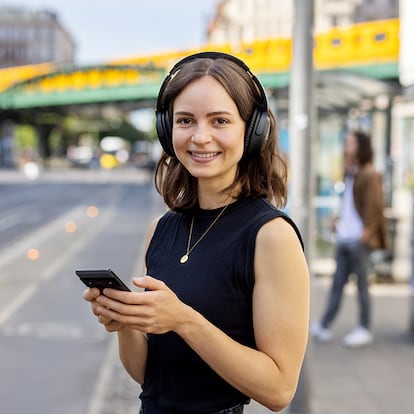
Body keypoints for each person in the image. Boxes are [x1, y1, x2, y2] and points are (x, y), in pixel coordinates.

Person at [83, 52, 310, 413]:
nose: (200, 137)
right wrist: (125, 323)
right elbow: (147, 376)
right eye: (185, 120)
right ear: (166, 129)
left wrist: (184, 320)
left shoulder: (271, 236)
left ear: (253, 131)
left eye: (219, 121)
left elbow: (279, 389)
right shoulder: (160, 229)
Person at [312, 130, 387, 347]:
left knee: (362, 286)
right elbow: (349, 204)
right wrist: (338, 220)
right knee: (337, 285)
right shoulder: (351, 171)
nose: (346, 145)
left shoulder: (369, 173)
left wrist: (366, 233)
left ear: (361, 146)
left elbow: (375, 207)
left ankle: (364, 328)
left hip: (357, 240)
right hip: (345, 237)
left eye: (351, 142)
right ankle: (324, 325)